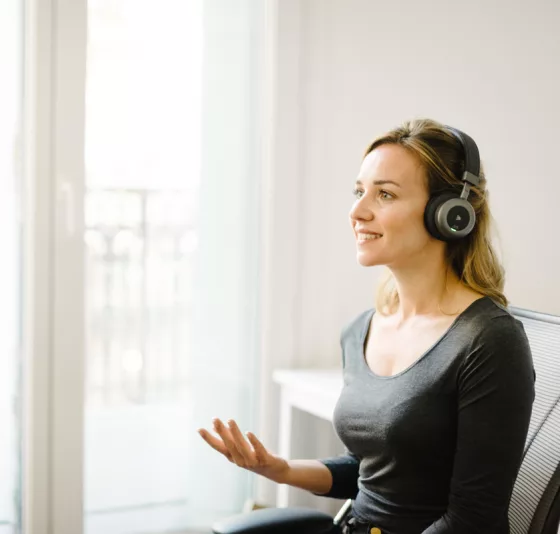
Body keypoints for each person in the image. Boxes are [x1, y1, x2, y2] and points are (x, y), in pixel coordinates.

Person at [199, 118, 535, 534]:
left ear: (451, 215)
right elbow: (368, 471)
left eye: (385, 194)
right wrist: (280, 469)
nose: (357, 211)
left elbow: (472, 521)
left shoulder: (488, 340)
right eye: (359, 191)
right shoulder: (361, 330)